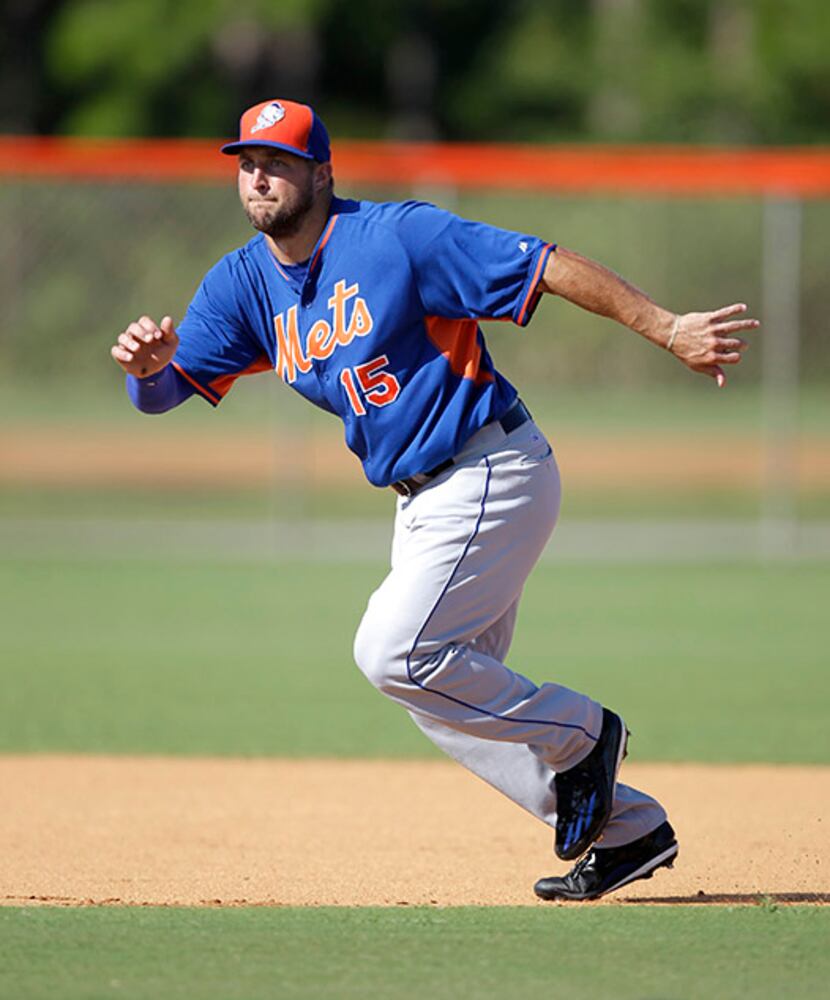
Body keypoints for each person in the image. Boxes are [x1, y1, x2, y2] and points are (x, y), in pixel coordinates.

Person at [111, 99, 757, 901]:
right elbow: (166, 390)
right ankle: (630, 831)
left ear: (322, 172)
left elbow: (546, 265)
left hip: (490, 468)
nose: (259, 178)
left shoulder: (398, 238)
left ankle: (586, 734)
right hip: (421, 503)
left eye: (278, 162)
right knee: (440, 690)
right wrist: (145, 373)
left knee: (394, 653)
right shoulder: (243, 283)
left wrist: (666, 328)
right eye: (247, 163)